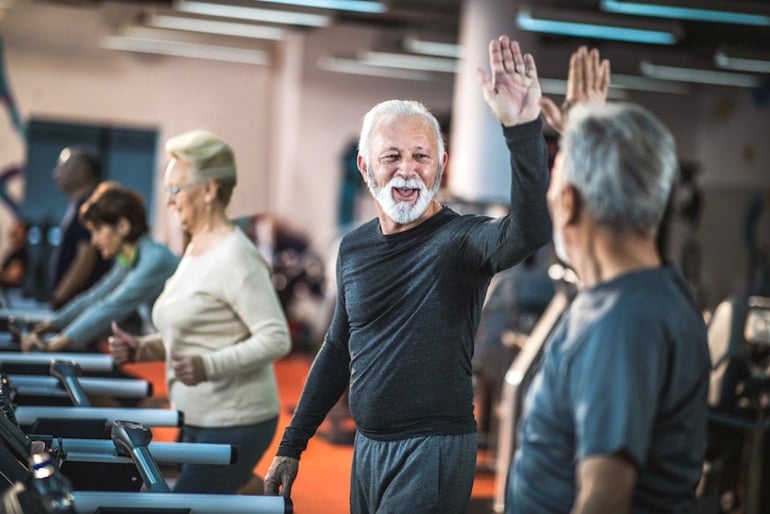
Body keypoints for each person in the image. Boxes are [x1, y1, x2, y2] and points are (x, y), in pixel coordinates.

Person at [264, 35, 552, 513]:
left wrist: (522, 130)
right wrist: (293, 444)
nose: (407, 170)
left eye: (420, 157)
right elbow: (338, 350)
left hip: (432, 448)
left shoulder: (461, 240)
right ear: (365, 167)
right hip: (369, 446)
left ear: (441, 166)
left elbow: (529, 231)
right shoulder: (354, 248)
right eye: (391, 156)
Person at [505, 108, 711, 511]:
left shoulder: (621, 324)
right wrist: (590, 141)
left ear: (568, 202)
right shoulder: (649, 290)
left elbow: (605, 497)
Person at [108, 129, 292, 494]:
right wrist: (142, 348)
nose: (169, 201)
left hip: (236, 417)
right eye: (167, 190)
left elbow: (276, 338)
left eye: (176, 189)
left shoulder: (236, 256)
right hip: (196, 413)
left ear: (209, 190)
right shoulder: (196, 249)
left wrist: (208, 366)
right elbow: (198, 330)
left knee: (186, 504)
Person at [20, 182, 179, 352]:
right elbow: (95, 298)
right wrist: (46, 326)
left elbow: (113, 305)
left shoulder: (155, 259)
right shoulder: (131, 259)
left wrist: (54, 343)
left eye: (98, 230)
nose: (94, 241)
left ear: (123, 226)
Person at [49, 145, 112, 309]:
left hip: (80, 305)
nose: (56, 174)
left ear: (80, 173)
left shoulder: (89, 207)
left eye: (62, 167)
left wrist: (59, 298)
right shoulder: (80, 205)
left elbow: (85, 258)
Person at [0, 217, 30, 290]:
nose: (13, 230)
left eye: (18, 229)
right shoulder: (15, 250)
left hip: (11, 294)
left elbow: (13, 278)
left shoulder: (21, 253)